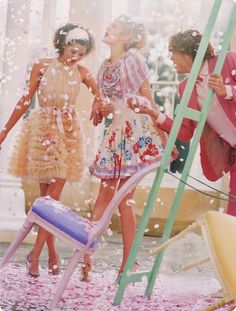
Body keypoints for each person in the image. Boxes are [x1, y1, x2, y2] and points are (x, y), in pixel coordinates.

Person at [0, 23, 102, 277]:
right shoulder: (42, 65)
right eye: (72, 48)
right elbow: (25, 99)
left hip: (68, 134)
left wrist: (99, 105)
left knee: (52, 199)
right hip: (43, 132)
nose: (75, 54)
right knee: (46, 201)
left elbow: (104, 96)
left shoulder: (82, 72)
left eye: (81, 50)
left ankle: (36, 254)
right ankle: (49, 253)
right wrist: (4, 131)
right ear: (63, 43)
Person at [82, 15, 175, 282]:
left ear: (127, 37)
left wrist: (165, 136)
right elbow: (104, 101)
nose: (108, 28)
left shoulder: (133, 60)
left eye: (115, 27)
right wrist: (99, 108)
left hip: (136, 134)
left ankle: (127, 264)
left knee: (125, 200)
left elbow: (147, 99)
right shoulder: (104, 66)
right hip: (116, 136)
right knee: (102, 198)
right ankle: (85, 259)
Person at [128, 29, 236, 216]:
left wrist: (227, 90)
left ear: (187, 52)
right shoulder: (185, 87)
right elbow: (185, 131)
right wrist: (153, 113)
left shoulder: (228, 61)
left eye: (173, 52)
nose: (171, 58)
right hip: (233, 153)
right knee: (233, 210)